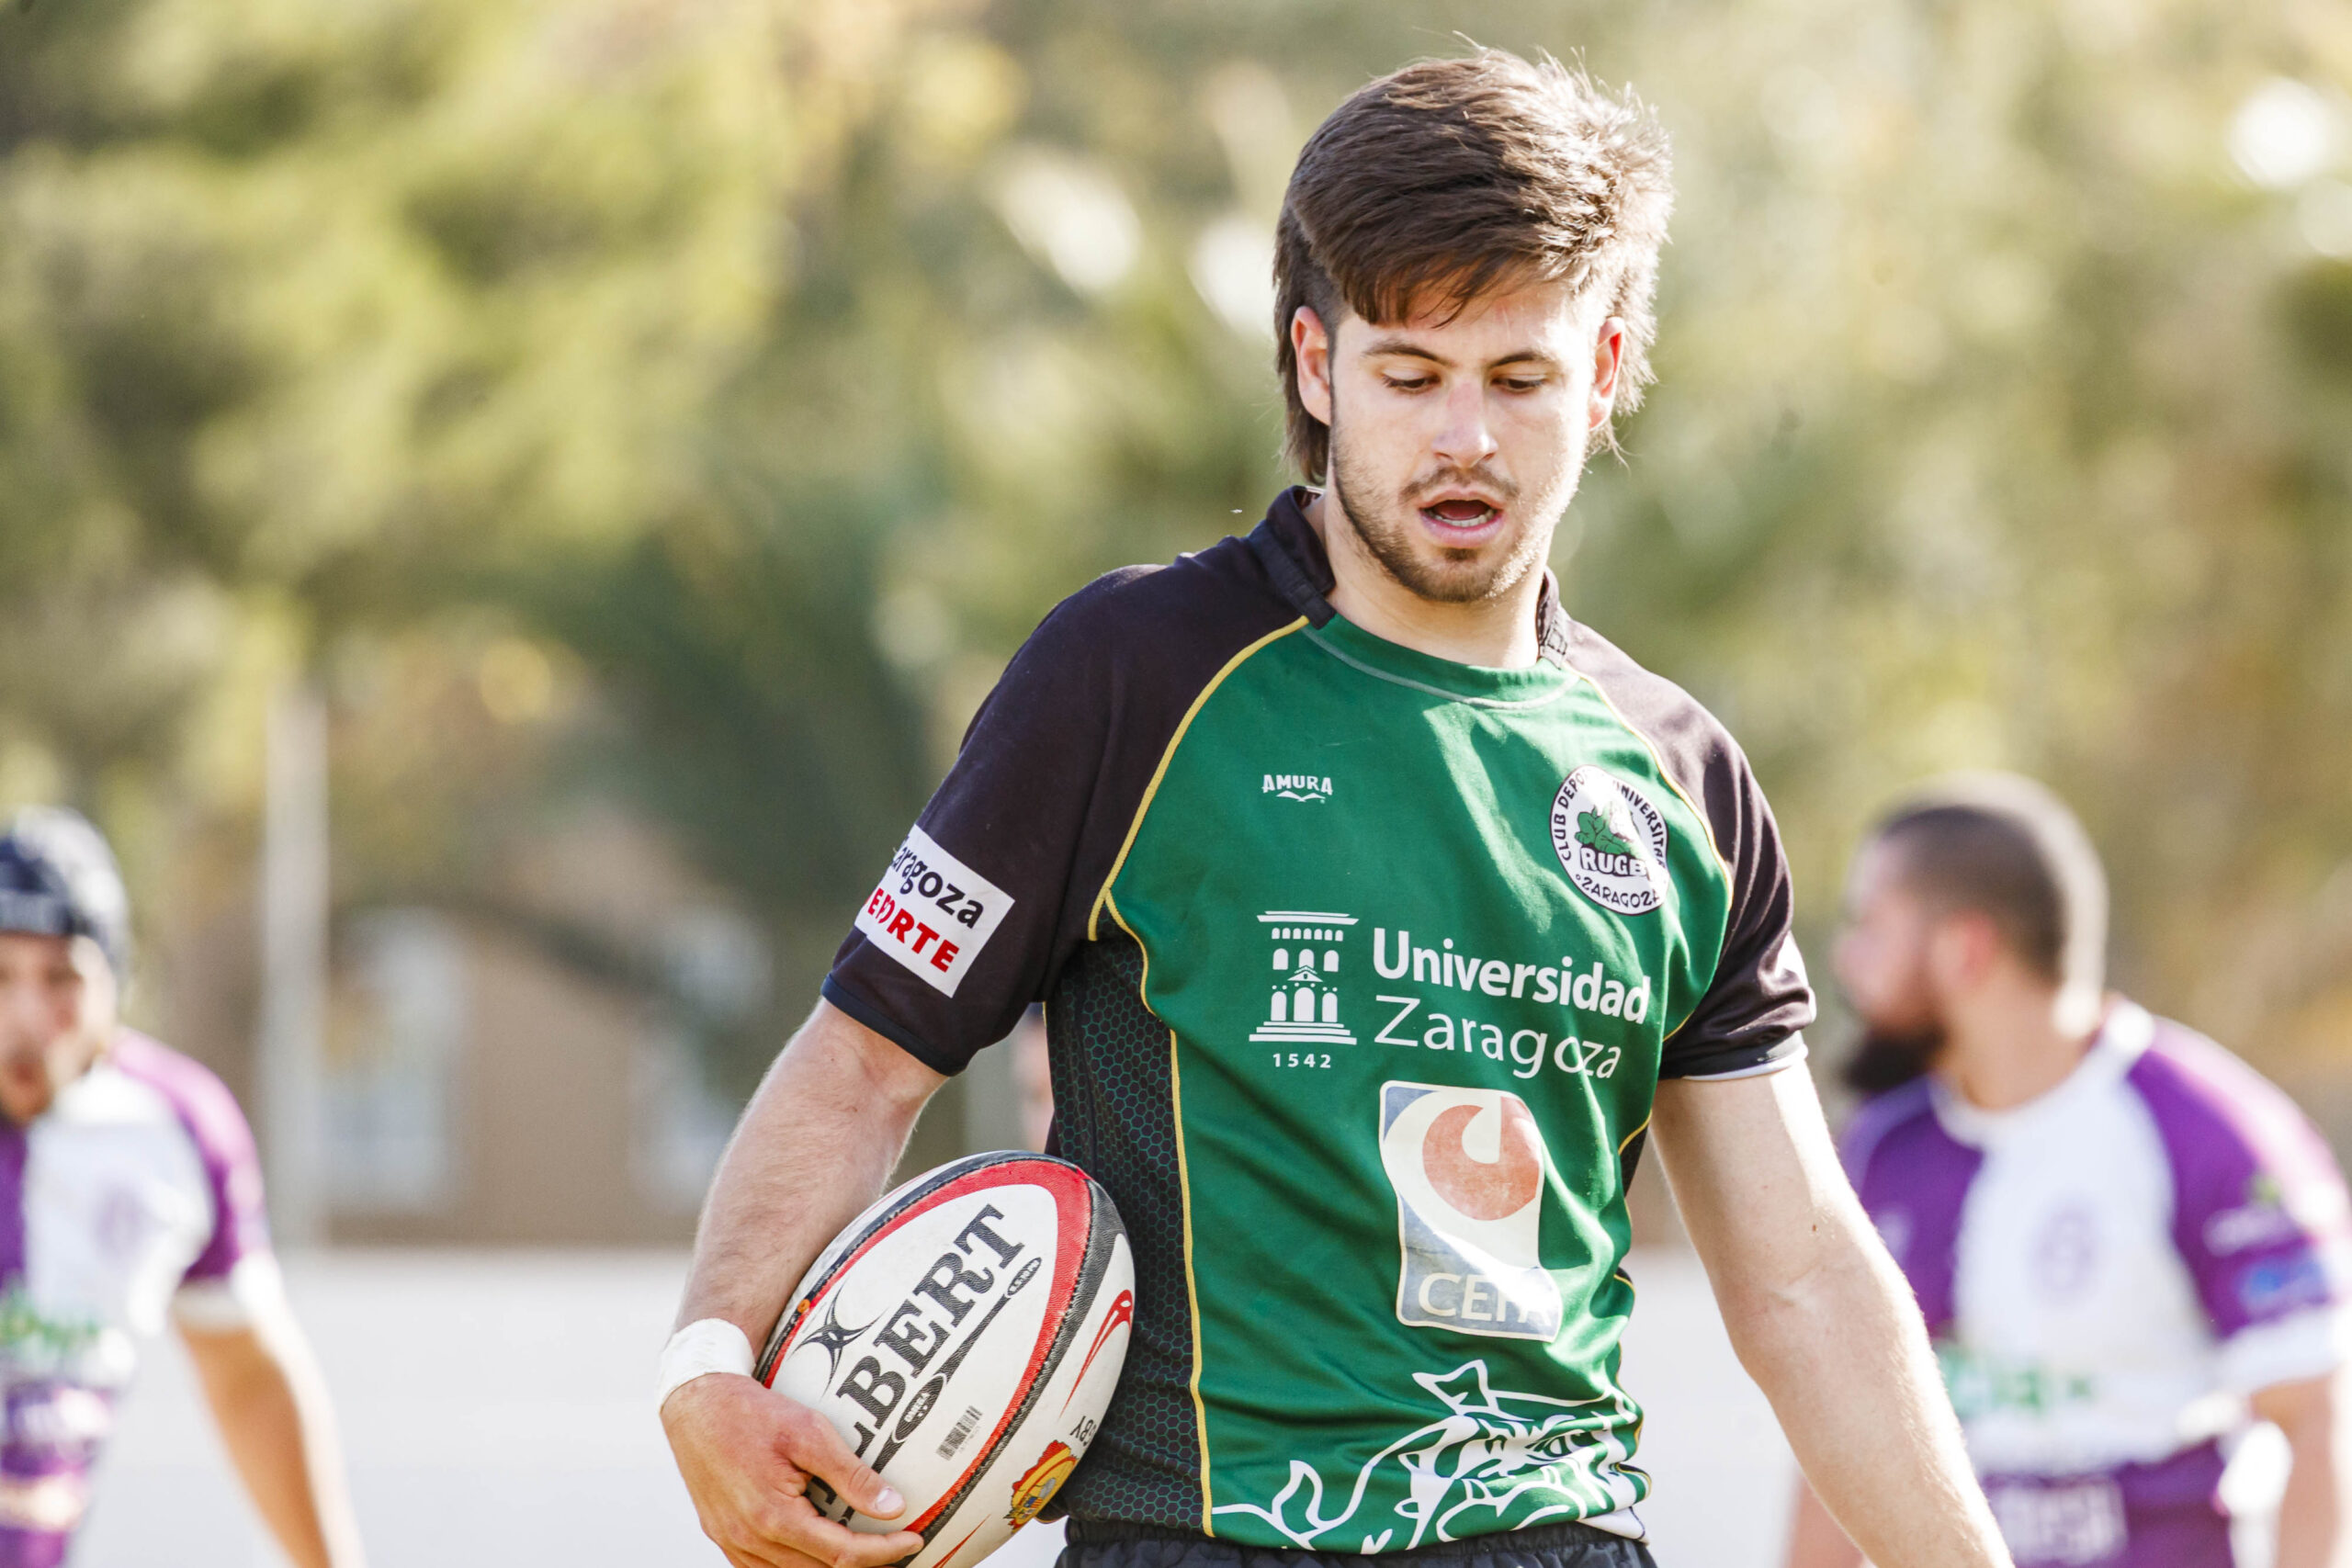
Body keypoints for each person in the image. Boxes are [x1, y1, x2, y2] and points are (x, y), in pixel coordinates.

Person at [660, 49, 2008, 1568]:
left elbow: (1804, 1273)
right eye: (1411, 376)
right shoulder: (1132, 676)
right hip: (1201, 1537)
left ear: (1610, 365)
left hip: (1553, 1534)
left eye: (1520, 379)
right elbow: (861, 1067)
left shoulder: (1679, 781)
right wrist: (710, 1353)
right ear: (1316, 363)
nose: (1465, 443)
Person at [1787, 774, 2350, 1568]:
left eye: (1869, 924)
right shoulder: (1882, 1147)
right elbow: (1841, 1442)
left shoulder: (2209, 1128)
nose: (1845, 959)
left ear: (1964, 949)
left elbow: (2316, 1417)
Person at [0, 807, 366, 1567]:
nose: (27, 1016)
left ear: (119, 979)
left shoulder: (175, 1130)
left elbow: (249, 1377)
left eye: (61, 977)